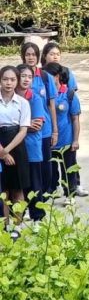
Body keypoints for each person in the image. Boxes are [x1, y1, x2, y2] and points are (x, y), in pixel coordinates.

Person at [20, 42, 58, 199]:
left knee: (45, 168)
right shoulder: (17, 75)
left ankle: (42, 198)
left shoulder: (45, 77)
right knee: (27, 168)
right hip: (23, 132)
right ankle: (29, 200)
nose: (31, 57)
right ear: (23, 56)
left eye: (34, 55)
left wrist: (55, 130)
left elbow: (51, 104)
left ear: (38, 57)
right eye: (27, 54)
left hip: (44, 130)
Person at [44, 63, 85, 198]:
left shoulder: (69, 94)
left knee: (69, 170)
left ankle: (70, 195)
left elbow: (75, 119)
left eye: (49, 76)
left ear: (57, 76)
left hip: (66, 140)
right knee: (51, 170)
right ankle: (53, 191)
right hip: (49, 139)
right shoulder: (43, 94)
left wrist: (75, 140)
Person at [16, 64, 48, 220]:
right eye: (23, 76)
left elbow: (37, 125)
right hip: (14, 148)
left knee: (35, 185)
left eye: (30, 77)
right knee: (18, 185)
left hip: (32, 148)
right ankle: (19, 216)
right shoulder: (9, 97)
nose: (27, 80)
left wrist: (14, 127)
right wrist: (25, 125)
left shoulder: (35, 98)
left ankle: (38, 217)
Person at [0, 65, 31, 225]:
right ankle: (4, 227)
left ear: (17, 81)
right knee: (3, 190)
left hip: (16, 147)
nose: (9, 83)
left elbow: (23, 130)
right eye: (5, 79)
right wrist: (2, 152)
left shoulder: (23, 103)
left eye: (12, 79)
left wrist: (6, 151)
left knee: (18, 189)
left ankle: (17, 226)